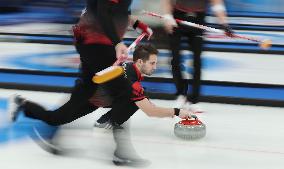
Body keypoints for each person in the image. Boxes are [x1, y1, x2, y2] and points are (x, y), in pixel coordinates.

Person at [7, 0, 153, 166]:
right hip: (97, 43)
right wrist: (117, 42)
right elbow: (102, 11)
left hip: (96, 43)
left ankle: (24, 105)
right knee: (128, 94)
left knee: (82, 103)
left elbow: (119, 10)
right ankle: (119, 148)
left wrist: (139, 25)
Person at [90, 44, 196, 129]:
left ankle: (110, 119)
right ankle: (106, 121)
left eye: (156, 63)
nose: (155, 67)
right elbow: (151, 112)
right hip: (95, 97)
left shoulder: (130, 66)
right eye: (152, 63)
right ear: (140, 62)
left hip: (100, 92)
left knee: (141, 96)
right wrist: (177, 112)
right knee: (138, 97)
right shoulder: (131, 81)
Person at [162, 0, 234, 112]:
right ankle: (181, 95)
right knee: (175, 58)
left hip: (198, 20)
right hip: (177, 17)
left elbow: (217, 5)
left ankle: (194, 101)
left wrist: (224, 24)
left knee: (197, 60)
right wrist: (167, 17)